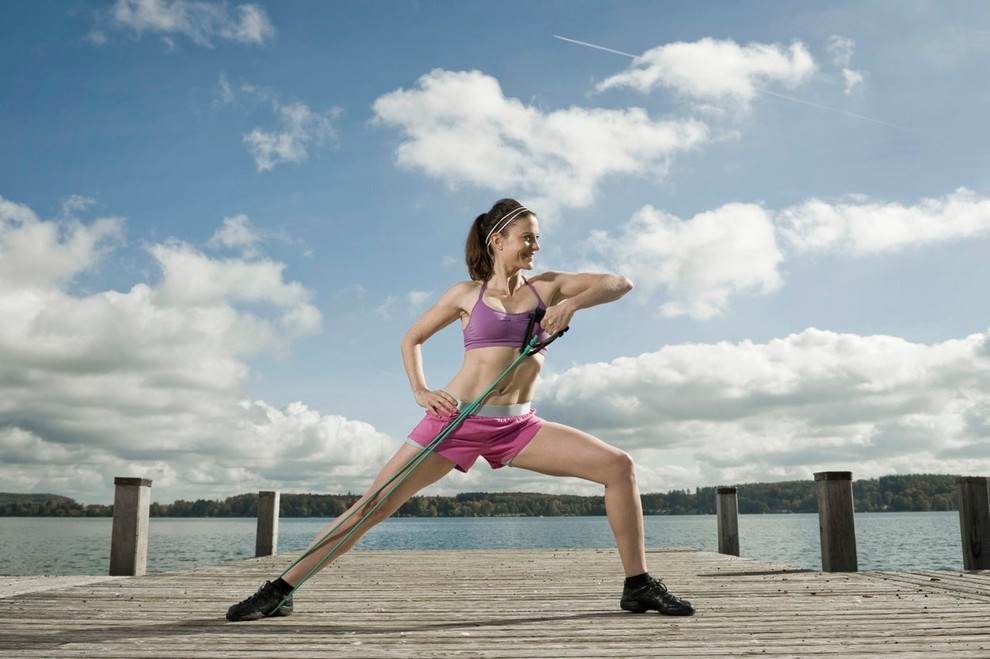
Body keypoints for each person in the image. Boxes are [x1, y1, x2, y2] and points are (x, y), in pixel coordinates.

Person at [226, 198, 695, 621]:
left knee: (619, 466)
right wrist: (420, 390)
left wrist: (571, 303)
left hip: (518, 425)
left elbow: (621, 282)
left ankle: (638, 586)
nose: (536, 244)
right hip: (453, 423)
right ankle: (281, 590)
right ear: (499, 240)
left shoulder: (546, 287)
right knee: (374, 505)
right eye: (527, 236)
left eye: (538, 237)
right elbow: (411, 338)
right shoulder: (465, 295)